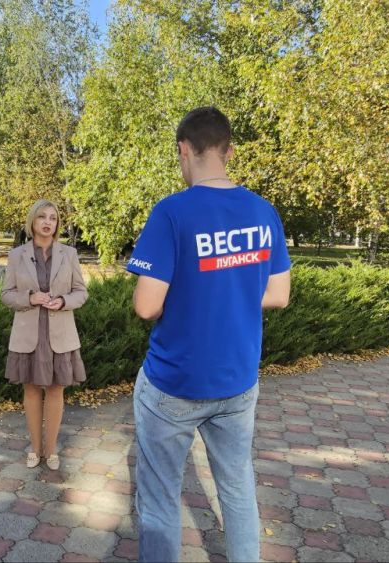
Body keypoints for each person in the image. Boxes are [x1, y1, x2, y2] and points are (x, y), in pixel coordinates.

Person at [125, 107, 291, 562]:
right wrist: (228, 294)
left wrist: (197, 294)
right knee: (237, 488)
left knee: (160, 498)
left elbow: (146, 305)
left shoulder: (171, 212)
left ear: (184, 149)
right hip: (238, 381)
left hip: (174, 382)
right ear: (228, 150)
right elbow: (278, 295)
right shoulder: (263, 211)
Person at [0, 199, 88, 470]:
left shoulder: (69, 254)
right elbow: (6, 294)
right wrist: (30, 297)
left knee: (55, 390)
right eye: (42, 217)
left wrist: (63, 301)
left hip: (60, 334)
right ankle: (35, 449)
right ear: (32, 221)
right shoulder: (17, 255)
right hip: (28, 334)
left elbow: (81, 292)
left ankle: (51, 451)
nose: (48, 222)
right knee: (30, 390)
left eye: (53, 218)